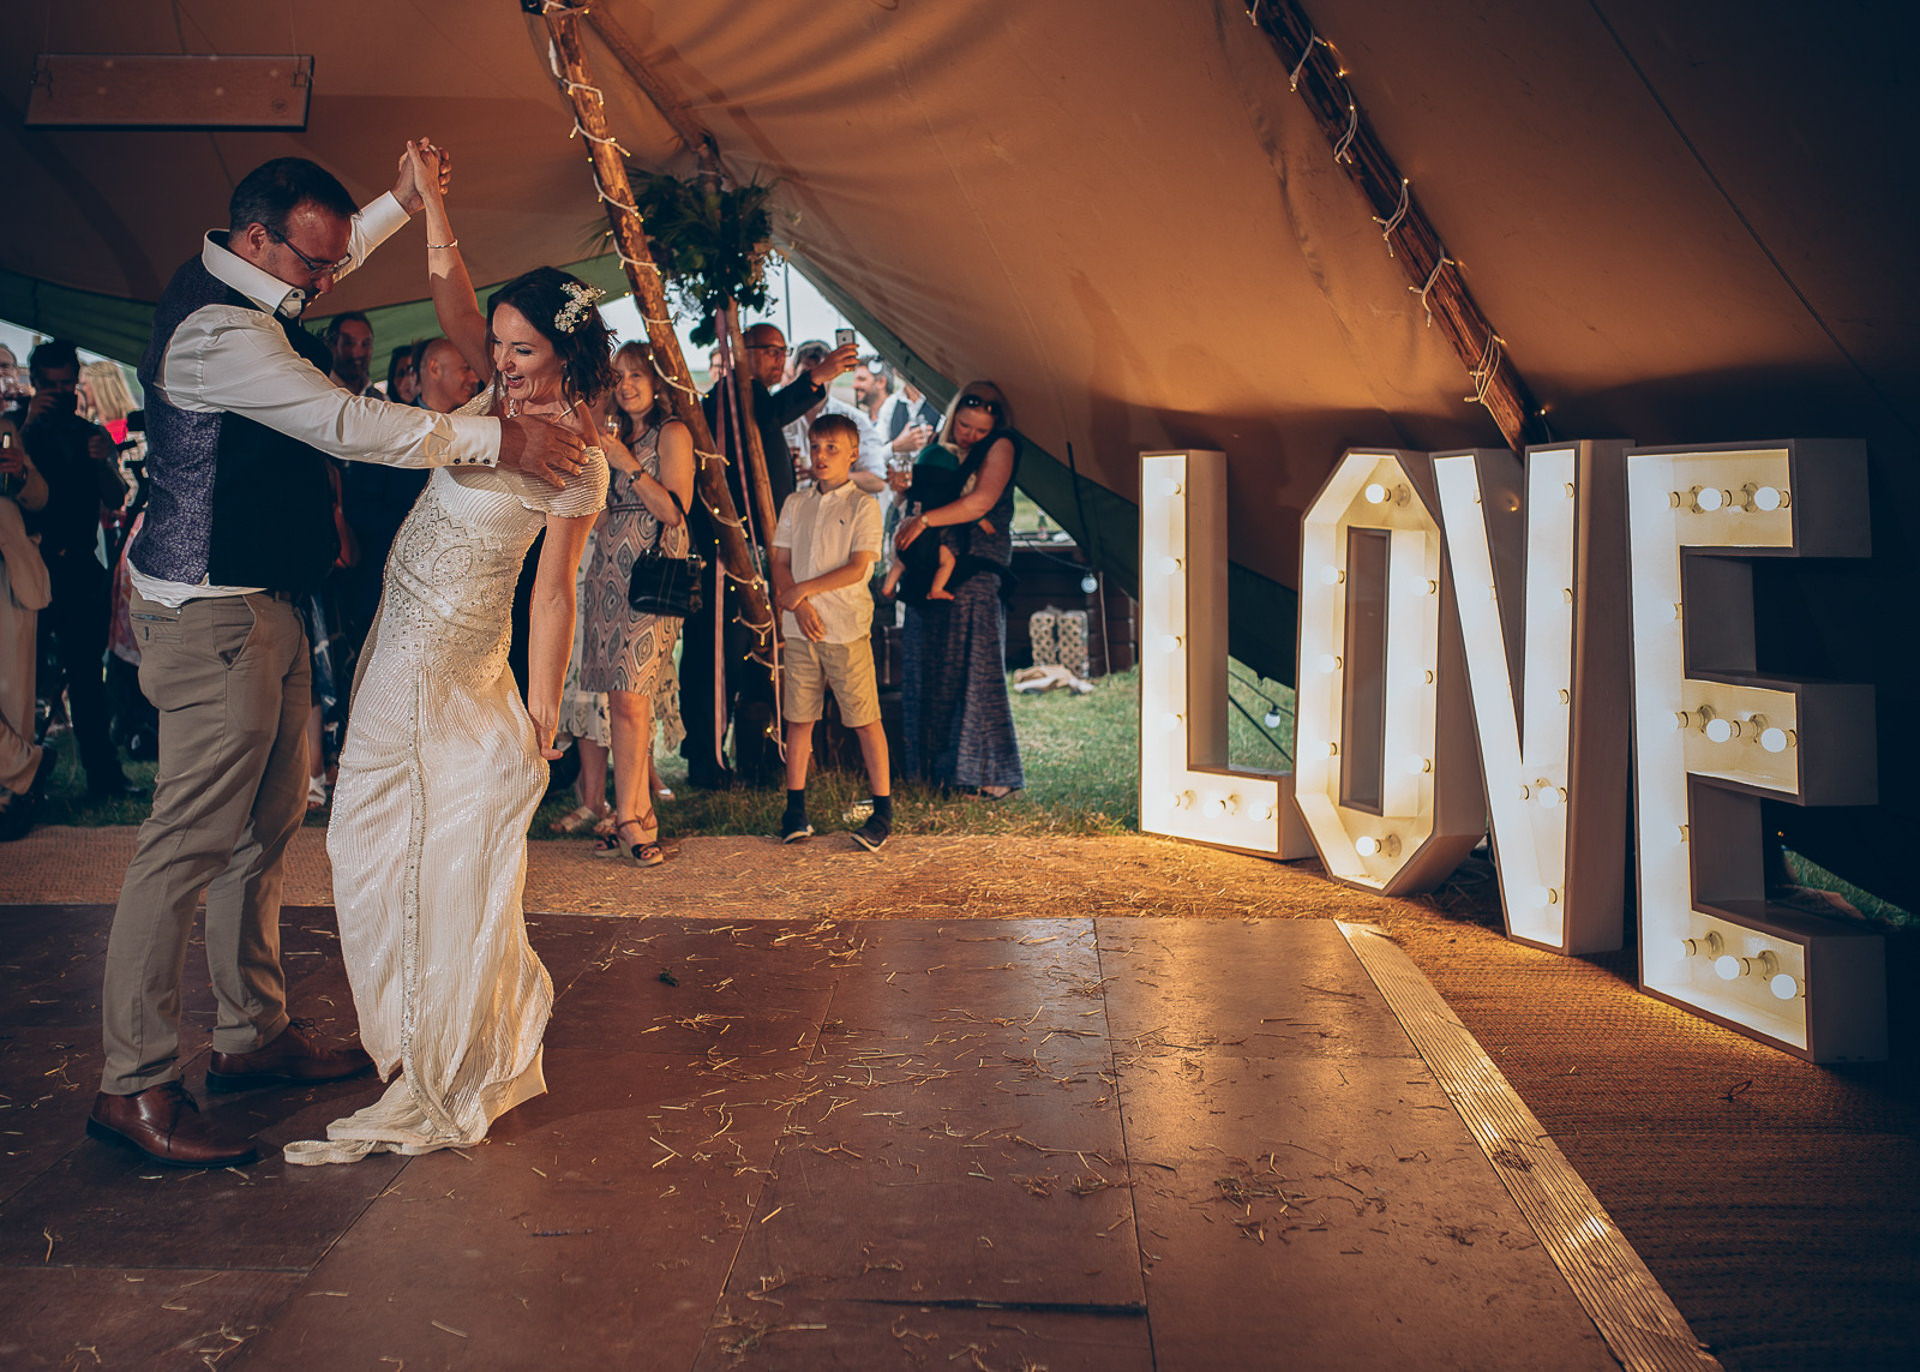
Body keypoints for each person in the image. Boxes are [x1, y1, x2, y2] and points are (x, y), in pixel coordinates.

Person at [91, 148, 589, 1170]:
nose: (328, 285)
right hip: (213, 611)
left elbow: (330, 248)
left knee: (263, 832)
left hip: (273, 606)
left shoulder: (263, 274)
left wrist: (403, 206)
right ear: (260, 240)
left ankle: (251, 1035)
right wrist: (494, 443)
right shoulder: (220, 331)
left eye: (330, 266)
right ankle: (133, 1082)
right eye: (312, 270)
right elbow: (346, 422)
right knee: (187, 840)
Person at [285, 141, 608, 1165]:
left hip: (451, 666)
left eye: (521, 349)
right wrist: (429, 203)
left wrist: (547, 711)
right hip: (396, 646)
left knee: (426, 852)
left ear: (566, 355)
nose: (497, 360)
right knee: (363, 839)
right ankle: (410, 1035)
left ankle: (442, 1054)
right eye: (498, 345)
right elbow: (453, 294)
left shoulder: (574, 457)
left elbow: (554, 591)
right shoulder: (496, 402)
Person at [680, 322, 855, 787]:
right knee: (718, 658)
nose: (778, 358)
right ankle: (707, 761)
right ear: (743, 352)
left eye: (783, 351)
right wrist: (817, 377)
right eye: (770, 350)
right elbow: (773, 413)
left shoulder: (751, 396)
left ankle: (745, 754)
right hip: (727, 551)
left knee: (746, 656)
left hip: (758, 550)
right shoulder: (734, 395)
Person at [578, 342, 692, 865]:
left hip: (651, 576)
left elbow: (674, 511)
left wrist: (626, 464)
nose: (625, 384)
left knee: (630, 695)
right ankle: (640, 814)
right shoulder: (616, 436)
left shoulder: (672, 433)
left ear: (657, 379)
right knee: (624, 699)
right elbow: (601, 514)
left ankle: (625, 817)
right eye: (617, 376)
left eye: (636, 374)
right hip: (607, 573)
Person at [19, 340, 138, 801]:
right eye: (51, 385)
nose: (61, 393)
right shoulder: (17, 428)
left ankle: (104, 776)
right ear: (35, 385)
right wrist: (28, 423)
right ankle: (22, 777)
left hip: (80, 568)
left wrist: (104, 459)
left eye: (67, 383)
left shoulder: (87, 433)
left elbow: (115, 497)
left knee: (88, 678)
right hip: (30, 568)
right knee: (23, 676)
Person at [895, 383, 1025, 799]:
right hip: (928, 568)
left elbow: (981, 501)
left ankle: (988, 772)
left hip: (974, 570)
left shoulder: (1002, 446)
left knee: (975, 671)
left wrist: (925, 521)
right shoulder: (938, 445)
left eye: (979, 431)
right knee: (927, 670)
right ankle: (934, 770)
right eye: (964, 425)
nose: (969, 435)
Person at [771, 413, 891, 851]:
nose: (821, 457)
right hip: (800, 629)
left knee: (863, 718)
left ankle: (883, 809)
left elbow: (859, 566)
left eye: (832, 448)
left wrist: (803, 590)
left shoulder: (863, 505)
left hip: (844, 629)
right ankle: (795, 809)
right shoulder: (795, 503)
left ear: (853, 453)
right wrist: (798, 604)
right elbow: (779, 561)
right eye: (816, 447)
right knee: (799, 718)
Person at [1, 411, 53, 840]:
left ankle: (10, 802)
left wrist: (21, 475)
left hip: (10, 572)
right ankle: (26, 764)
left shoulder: (6, 428)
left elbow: (39, 497)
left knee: (12, 695)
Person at [781, 340, 888, 496]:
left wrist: (829, 476)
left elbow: (877, 481)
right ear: (795, 375)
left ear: (832, 376)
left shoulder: (854, 421)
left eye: (821, 374)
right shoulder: (781, 419)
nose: (815, 381)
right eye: (806, 375)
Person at [324, 312, 377, 397]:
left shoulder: (381, 398)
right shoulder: (322, 391)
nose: (359, 353)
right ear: (332, 346)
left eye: (365, 344)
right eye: (350, 343)